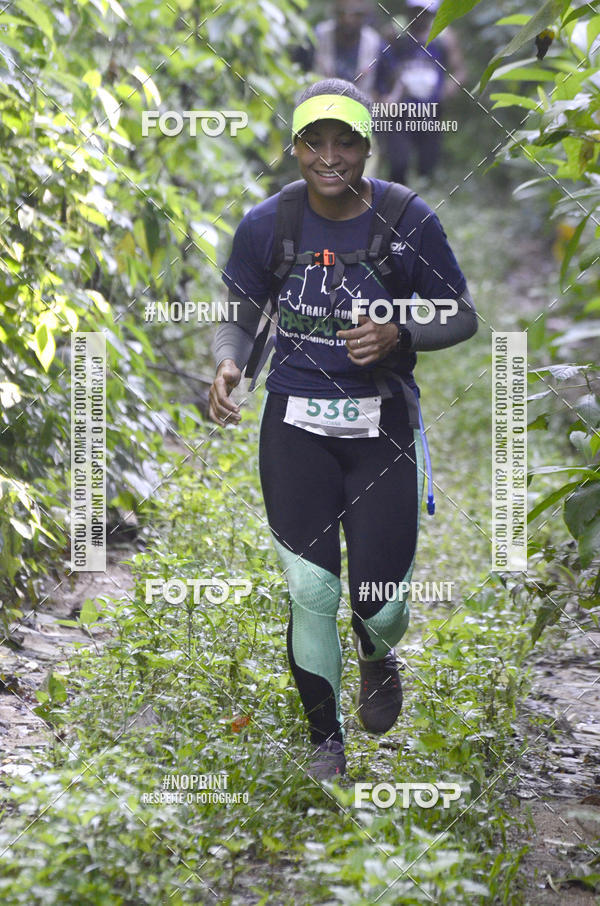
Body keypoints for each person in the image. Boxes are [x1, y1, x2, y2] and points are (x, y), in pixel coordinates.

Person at [209, 78, 477, 781]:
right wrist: (229, 366)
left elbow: (460, 313)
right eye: (313, 141)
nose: (330, 156)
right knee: (312, 590)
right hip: (294, 426)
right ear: (295, 147)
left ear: (366, 143)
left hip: (381, 425)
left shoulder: (405, 217)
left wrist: (397, 330)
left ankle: (377, 652)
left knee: (378, 603)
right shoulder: (269, 224)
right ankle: (325, 742)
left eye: (345, 141)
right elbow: (238, 312)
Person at [378, 0, 466, 183]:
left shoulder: (444, 36)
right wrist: (386, 95)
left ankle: (423, 201)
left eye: (424, 11)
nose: (419, 16)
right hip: (400, 112)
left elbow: (460, 71)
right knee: (398, 163)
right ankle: (397, 200)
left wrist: (449, 89)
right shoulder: (395, 32)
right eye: (415, 11)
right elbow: (382, 66)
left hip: (431, 110)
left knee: (428, 164)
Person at [293, 0, 393, 99]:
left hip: (360, 110)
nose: (349, 20)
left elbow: (384, 88)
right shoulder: (316, 37)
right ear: (334, 11)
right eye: (343, 13)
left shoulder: (376, 45)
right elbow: (296, 71)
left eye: (356, 14)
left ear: (365, 14)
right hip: (318, 107)